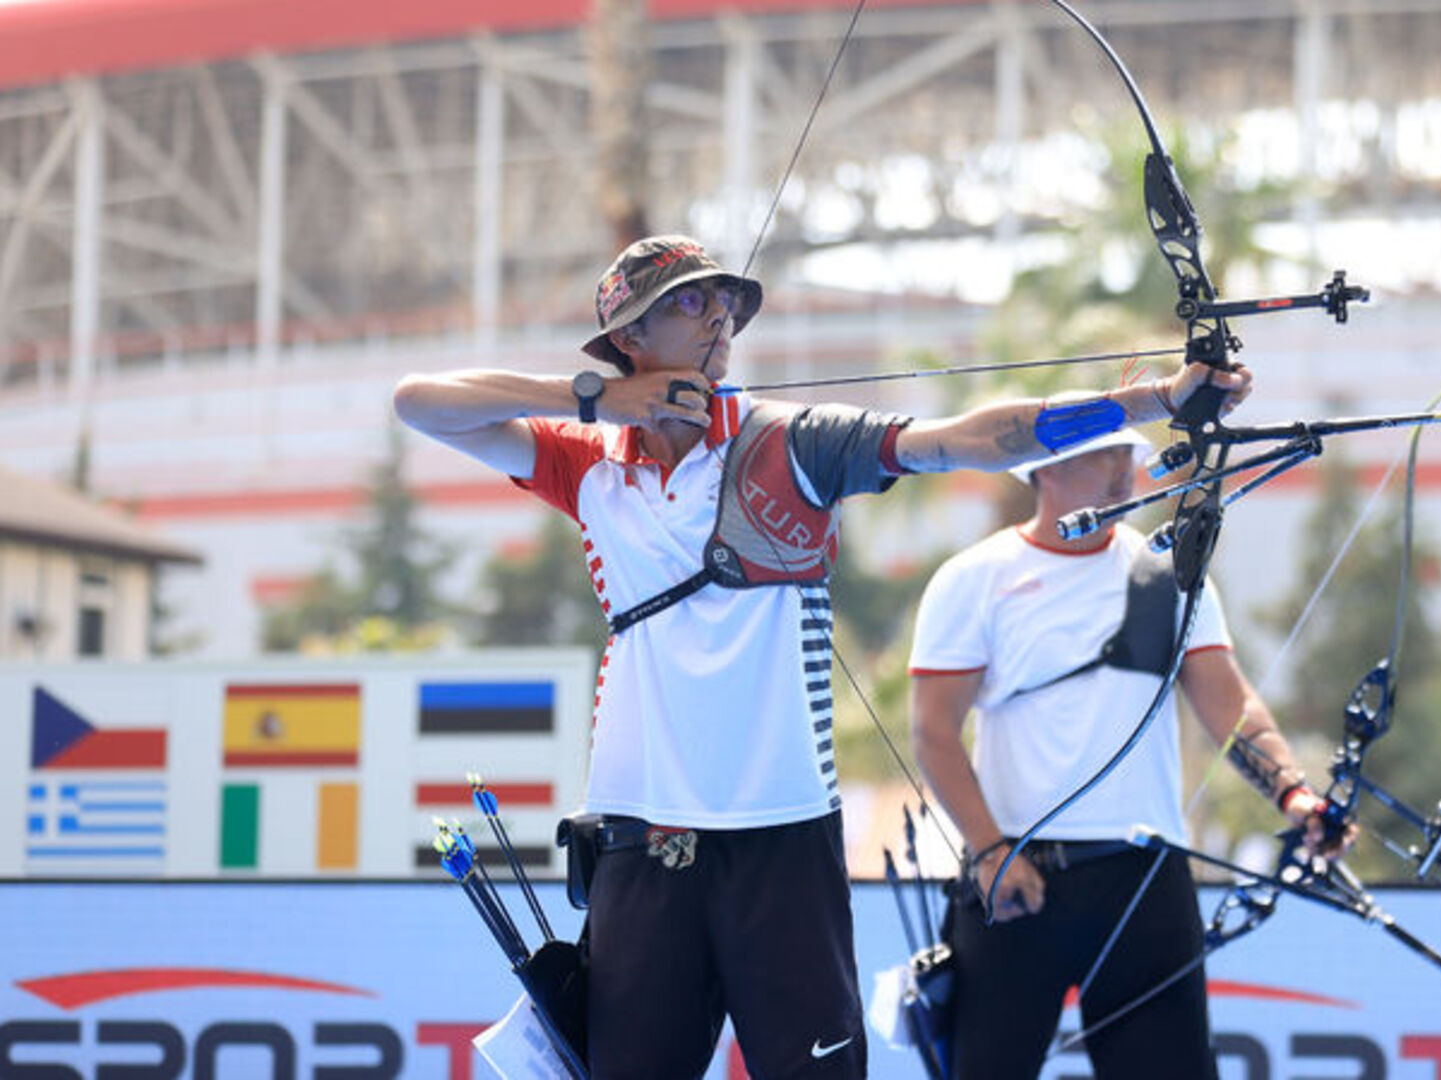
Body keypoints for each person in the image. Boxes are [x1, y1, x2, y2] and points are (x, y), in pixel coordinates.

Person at [391, 234, 1251, 1080]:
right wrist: (596, 400)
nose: (719, 319)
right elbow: (418, 400)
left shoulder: (791, 443)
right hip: (641, 833)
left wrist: (1160, 403)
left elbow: (973, 441)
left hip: (783, 838)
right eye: (690, 302)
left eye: (726, 304)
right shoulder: (587, 462)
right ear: (630, 338)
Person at [908, 428, 1351, 1080]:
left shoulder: (1167, 576)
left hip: (1142, 880)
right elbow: (933, 733)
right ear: (1045, 467)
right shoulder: (974, 578)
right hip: (1016, 878)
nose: (1124, 469)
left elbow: (1231, 708)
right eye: (1103, 452)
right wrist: (991, 851)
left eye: (1130, 453)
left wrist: (1294, 793)